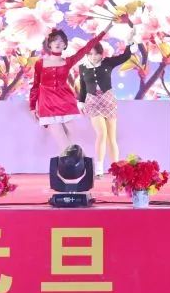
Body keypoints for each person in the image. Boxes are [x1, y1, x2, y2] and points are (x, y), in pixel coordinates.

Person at [32, 23, 112, 152]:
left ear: (65, 45)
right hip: (47, 106)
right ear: (49, 44)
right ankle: (78, 162)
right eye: (54, 40)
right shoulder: (40, 64)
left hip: (66, 104)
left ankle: (81, 163)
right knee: (64, 144)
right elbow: (35, 86)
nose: (58, 43)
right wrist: (32, 107)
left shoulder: (68, 61)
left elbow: (87, 48)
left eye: (61, 41)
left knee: (74, 143)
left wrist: (106, 29)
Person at [78, 28, 137, 177]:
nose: (94, 57)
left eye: (96, 54)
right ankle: (99, 169)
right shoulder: (83, 67)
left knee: (111, 137)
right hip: (92, 102)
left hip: (108, 101)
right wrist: (81, 102)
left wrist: (130, 41)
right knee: (101, 133)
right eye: (90, 54)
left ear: (101, 53)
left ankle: (116, 169)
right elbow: (83, 87)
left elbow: (125, 56)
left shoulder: (108, 63)